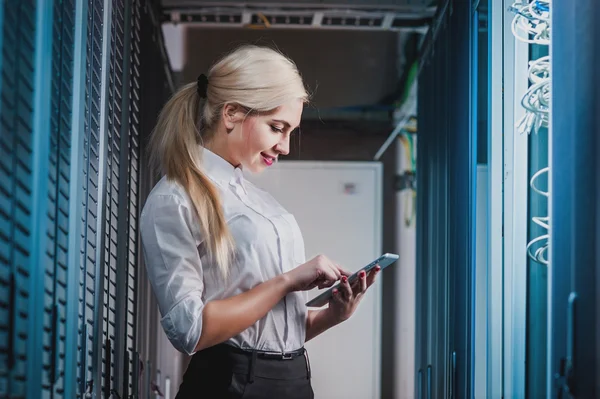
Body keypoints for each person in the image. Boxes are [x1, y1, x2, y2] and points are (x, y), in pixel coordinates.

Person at [139, 44, 381, 399]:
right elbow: (189, 330)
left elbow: (270, 332)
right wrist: (285, 282)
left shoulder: (259, 201)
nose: (284, 146)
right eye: (277, 127)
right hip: (228, 385)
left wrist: (333, 314)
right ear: (232, 113)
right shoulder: (174, 198)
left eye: (290, 132)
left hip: (293, 378)